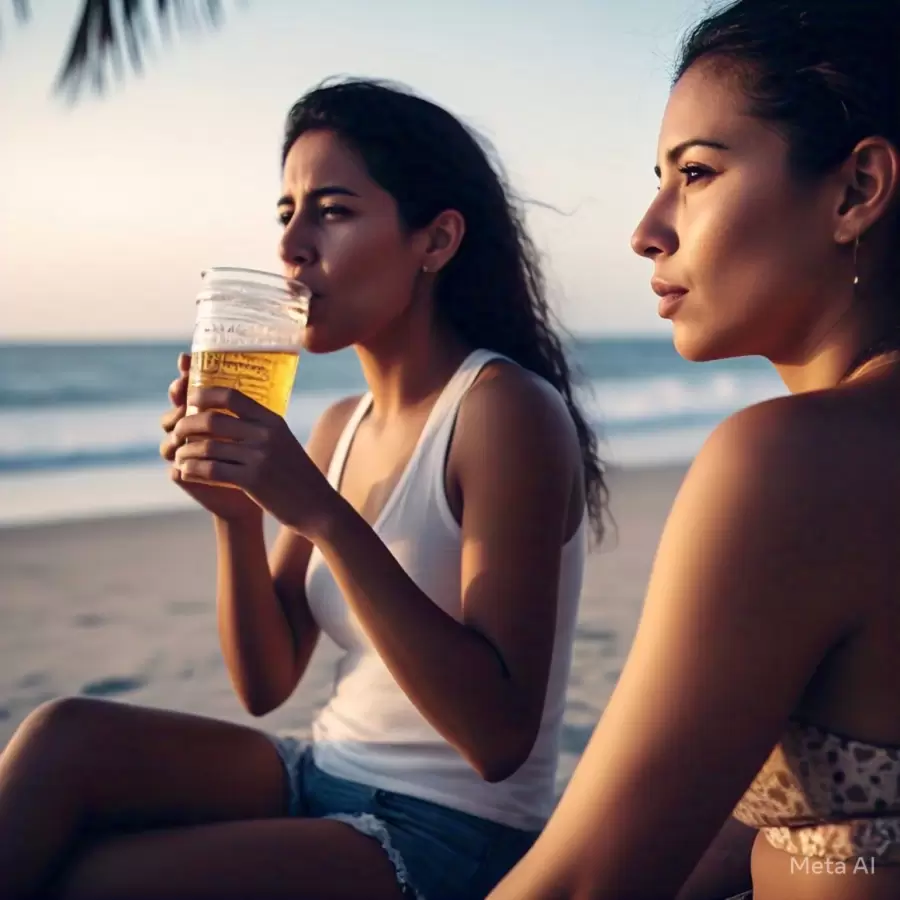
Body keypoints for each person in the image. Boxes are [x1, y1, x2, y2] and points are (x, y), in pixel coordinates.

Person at [0, 78, 605, 900]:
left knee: (93, 880)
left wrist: (321, 513)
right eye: (286, 212)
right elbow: (267, 682)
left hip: (449, 830)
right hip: (322, 768)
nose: (291, 246)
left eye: (333, 211)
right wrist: (236, 519)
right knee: (63, 737)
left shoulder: (503, 410)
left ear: (435, 240)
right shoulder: (341, 424)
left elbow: (498, 737)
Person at [487, 1, 900, 898]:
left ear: (856, 190)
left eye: (697, 173)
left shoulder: (796, 462)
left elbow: (584, 882)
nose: (647, 230)